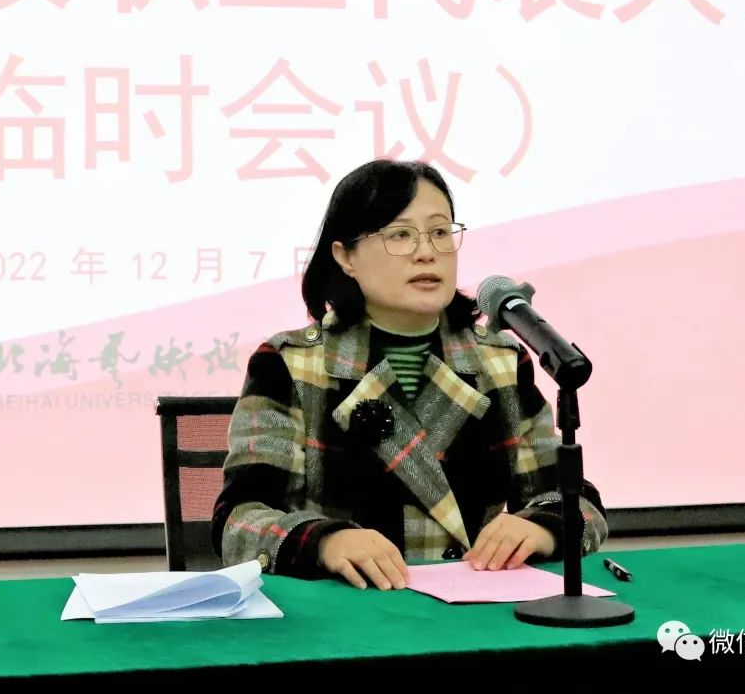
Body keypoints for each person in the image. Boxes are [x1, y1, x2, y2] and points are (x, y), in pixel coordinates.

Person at [211, 160, 609, 591]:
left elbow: (576, 503)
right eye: (400, 235)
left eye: (439, 232)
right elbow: (239, 521)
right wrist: (326, 542)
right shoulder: (291, 364)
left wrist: (542, 527)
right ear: (345, 256)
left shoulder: (501, 362)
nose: (426, 252)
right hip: (349, 612)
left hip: (476, 607)